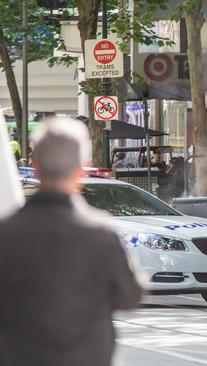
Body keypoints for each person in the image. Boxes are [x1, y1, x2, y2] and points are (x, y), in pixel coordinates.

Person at [0, 117, 142, 366]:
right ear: (80, 168)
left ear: (35, 166)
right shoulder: (101, 233)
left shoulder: (7, 233)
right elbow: (130, 296)